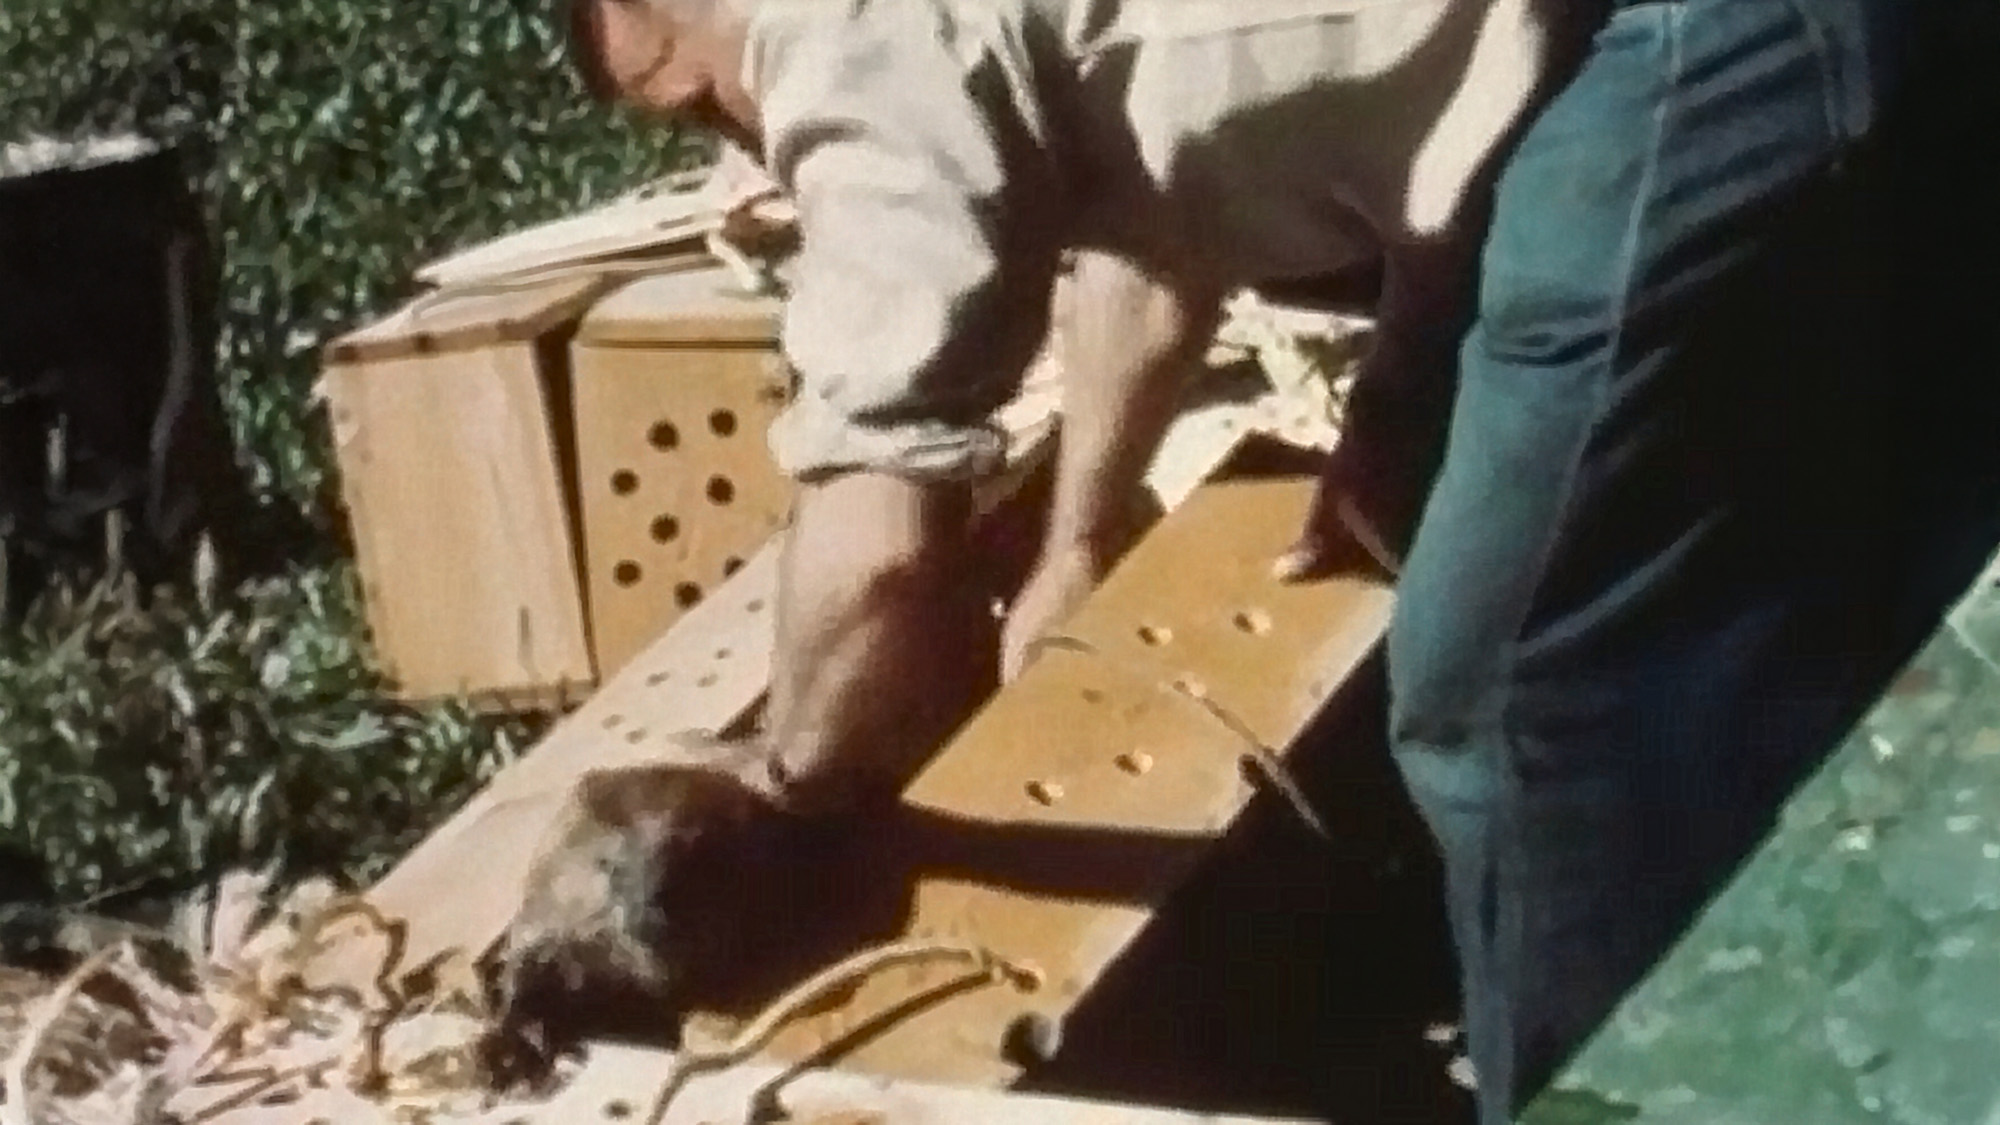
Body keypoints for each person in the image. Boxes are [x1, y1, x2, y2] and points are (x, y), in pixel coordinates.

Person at [558, 0, 1998, 1120]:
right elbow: (1168, 191)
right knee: (1844, 550)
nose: (736, 149)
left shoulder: (838, 39)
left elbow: (878, 534)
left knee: (1504, 690)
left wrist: (795, 790)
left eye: (692, 109)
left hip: (1695, 45)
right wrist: (1085, 531)